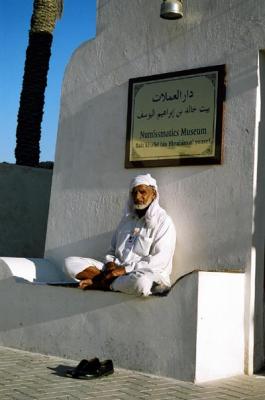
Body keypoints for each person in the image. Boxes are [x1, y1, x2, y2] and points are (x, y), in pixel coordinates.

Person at [64, 174, 176, 297]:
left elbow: (160, 260)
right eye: (134, 193)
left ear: (154, 194)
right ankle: (108, 282)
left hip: (143, 272)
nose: (138, 197)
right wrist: (110, 264)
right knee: (70, 263)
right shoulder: (126, 221)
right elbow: (111, 251)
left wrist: (125, 270)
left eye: (142, 192)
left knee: (141, 283)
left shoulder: (163, 222)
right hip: (115, 271)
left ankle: (103, 284)